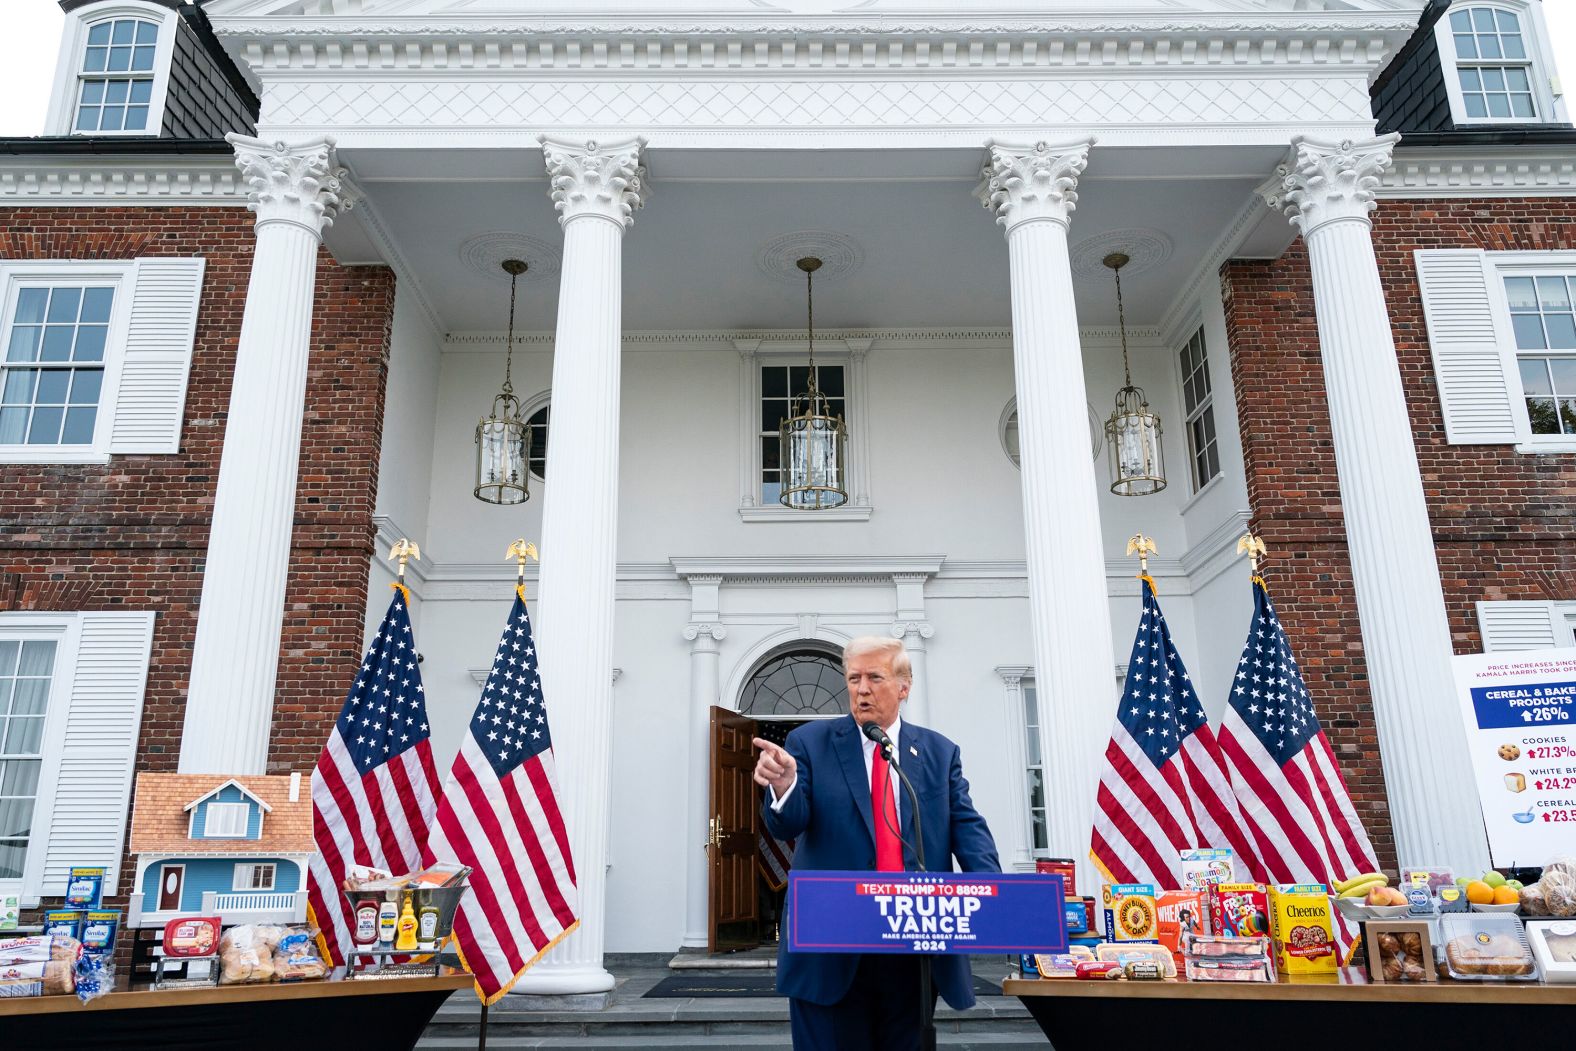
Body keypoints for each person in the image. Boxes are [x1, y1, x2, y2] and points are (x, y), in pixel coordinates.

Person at [754, 636, 999, 1050]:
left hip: (913, 952)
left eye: (874, 677)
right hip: (832, 950)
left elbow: (967, 829)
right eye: (853, 678)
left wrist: (995, 897)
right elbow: (788, 824)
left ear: (904, 686)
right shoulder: (810, 744)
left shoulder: (939, 753)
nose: (861, 688)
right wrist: (784, 784)